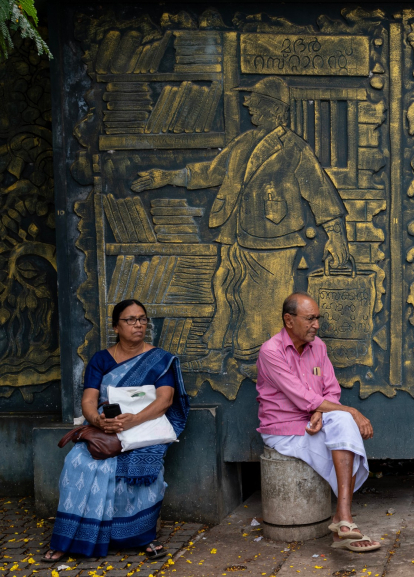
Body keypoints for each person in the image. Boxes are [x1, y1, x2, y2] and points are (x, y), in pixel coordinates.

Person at [132, 76, 349, 374]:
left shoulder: (294, 148)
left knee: (265, 305)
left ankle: (259, 363)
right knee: (225, 293)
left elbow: (321, 192)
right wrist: (167, 177)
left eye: (255, 101)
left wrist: (337, 236)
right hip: (235, 234)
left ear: (274, 108)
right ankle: (216, 354)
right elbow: (211, 172)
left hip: (274, 240)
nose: (248, 105)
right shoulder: (245, 142)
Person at [43, 299, 189, 563]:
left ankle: (142, 537)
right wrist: (98, 421)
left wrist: (133, 421)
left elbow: (164, 400)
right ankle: (70, 538)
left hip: (145, 427)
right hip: (107, 428)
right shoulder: (101, 359)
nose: (138, 325)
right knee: (78, 462)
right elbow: (88, 400)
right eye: (130, 320)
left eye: (142, 319)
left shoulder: (160, 359)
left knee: (142, 464)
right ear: (115, 327)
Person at [256, 292, 379, 552]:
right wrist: (352, 411)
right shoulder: (271, 351)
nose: (317, 325)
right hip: (284, 429)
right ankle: (342, 522)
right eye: (310, 319)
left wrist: (322, 412)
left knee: (344, 424)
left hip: (315, 422)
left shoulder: (318, 347)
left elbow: (330, 389)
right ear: (289, 320)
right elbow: (301, 397)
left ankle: (343, 516)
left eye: (317, 318)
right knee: (347, 422)